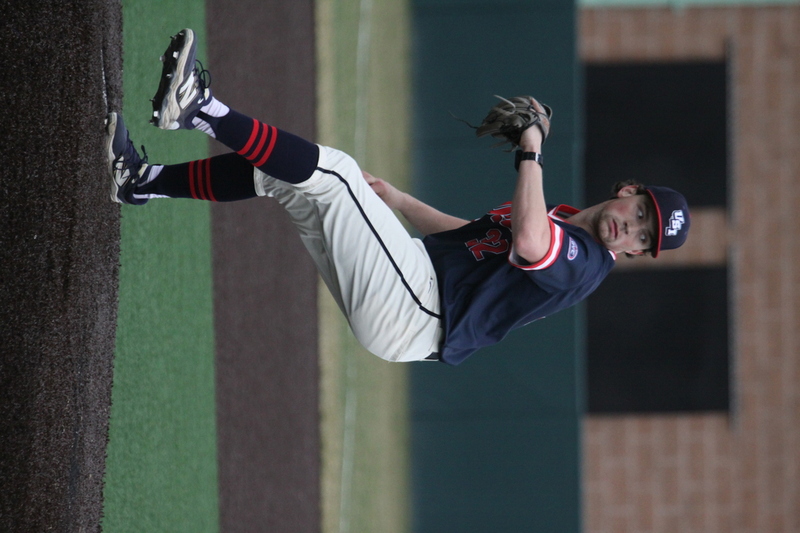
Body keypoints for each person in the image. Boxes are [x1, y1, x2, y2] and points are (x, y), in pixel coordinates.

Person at [106, 29, 690, 366]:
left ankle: (199, 107)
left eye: (644, 237)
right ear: (628, 191)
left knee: (331, 172)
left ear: (636, 255)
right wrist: (401, 201)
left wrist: (531, 149)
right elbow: (474, 235)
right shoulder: (563, 222)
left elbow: (531, 239)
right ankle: (141, 181)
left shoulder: (585, 263)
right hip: (415, 292)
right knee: (284, 177)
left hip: (419, 311)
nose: (632, 229)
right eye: (641, 214)